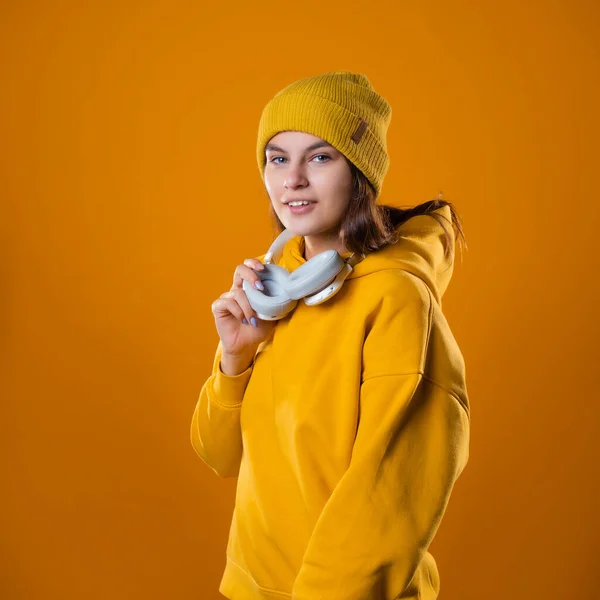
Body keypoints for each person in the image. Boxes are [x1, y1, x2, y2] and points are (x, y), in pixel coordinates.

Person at [190, 70, 470, 600]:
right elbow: (219, 455)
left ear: (360, 173)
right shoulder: (279, 289)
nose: (292, 179)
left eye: (320, 157)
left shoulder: (397, 297)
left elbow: (388, 497)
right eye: (277, 158)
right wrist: (235, 359)